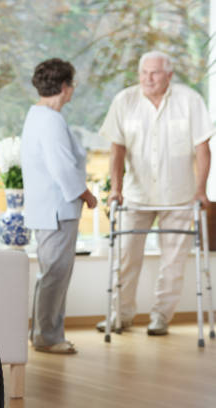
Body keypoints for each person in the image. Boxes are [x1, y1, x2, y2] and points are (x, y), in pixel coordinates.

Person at [97, 51, 213, 335]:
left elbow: (202, 149)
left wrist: (201, 190)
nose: (148, 78)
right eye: (144, 72)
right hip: (136, 196)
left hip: (180, 196)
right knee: (125, 259)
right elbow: (117, 149)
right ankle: (119, 315)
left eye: (155, 73)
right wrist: (116, 189)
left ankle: (161, 316)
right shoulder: (125, 101)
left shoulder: (190, 100)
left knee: (173, 263)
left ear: (169, 75)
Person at [21, 58, 97, 354]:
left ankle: (44, 332)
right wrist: (86, 194)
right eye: (72, 84)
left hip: (49, 208)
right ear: (65, 87)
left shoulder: (38, 116)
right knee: (55, 273)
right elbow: (62, 167)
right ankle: (47, 336)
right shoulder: (50, 120)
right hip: (56, 209)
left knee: (52, 273)